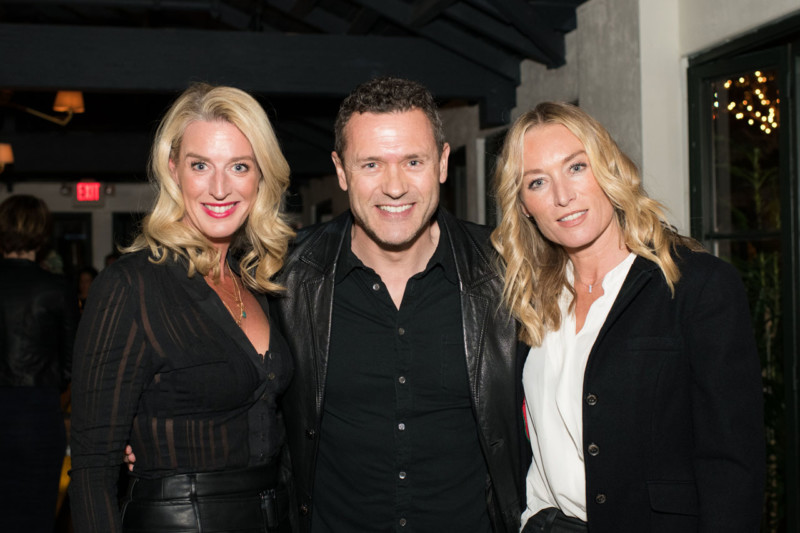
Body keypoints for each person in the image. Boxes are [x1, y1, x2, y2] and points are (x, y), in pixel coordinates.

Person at [491, 102, 765, 532]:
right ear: (524, 205)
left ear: (609, 169)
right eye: (537, 182)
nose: (563, 196)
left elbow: (732, 462)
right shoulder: (527, 299)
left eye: (576, 167)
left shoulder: (696, 286)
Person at [271, 76, 528, 532]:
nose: (394, 187)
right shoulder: (286, 279)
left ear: (442, 163)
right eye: (371, 164)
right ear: (341, 170)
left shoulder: (506, 273)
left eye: (413, 161)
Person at [69, 83, 295, 533]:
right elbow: (93, 471)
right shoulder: (131, 286)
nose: (219, 188)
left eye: (239, 166)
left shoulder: (260, 283)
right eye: (200, 165)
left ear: (261, 175)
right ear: (174, 170)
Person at [0, 194, 76, 533]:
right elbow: (72, 362)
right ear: (43, 233)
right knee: (35, 516)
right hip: (37, 412)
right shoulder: (56, 288)